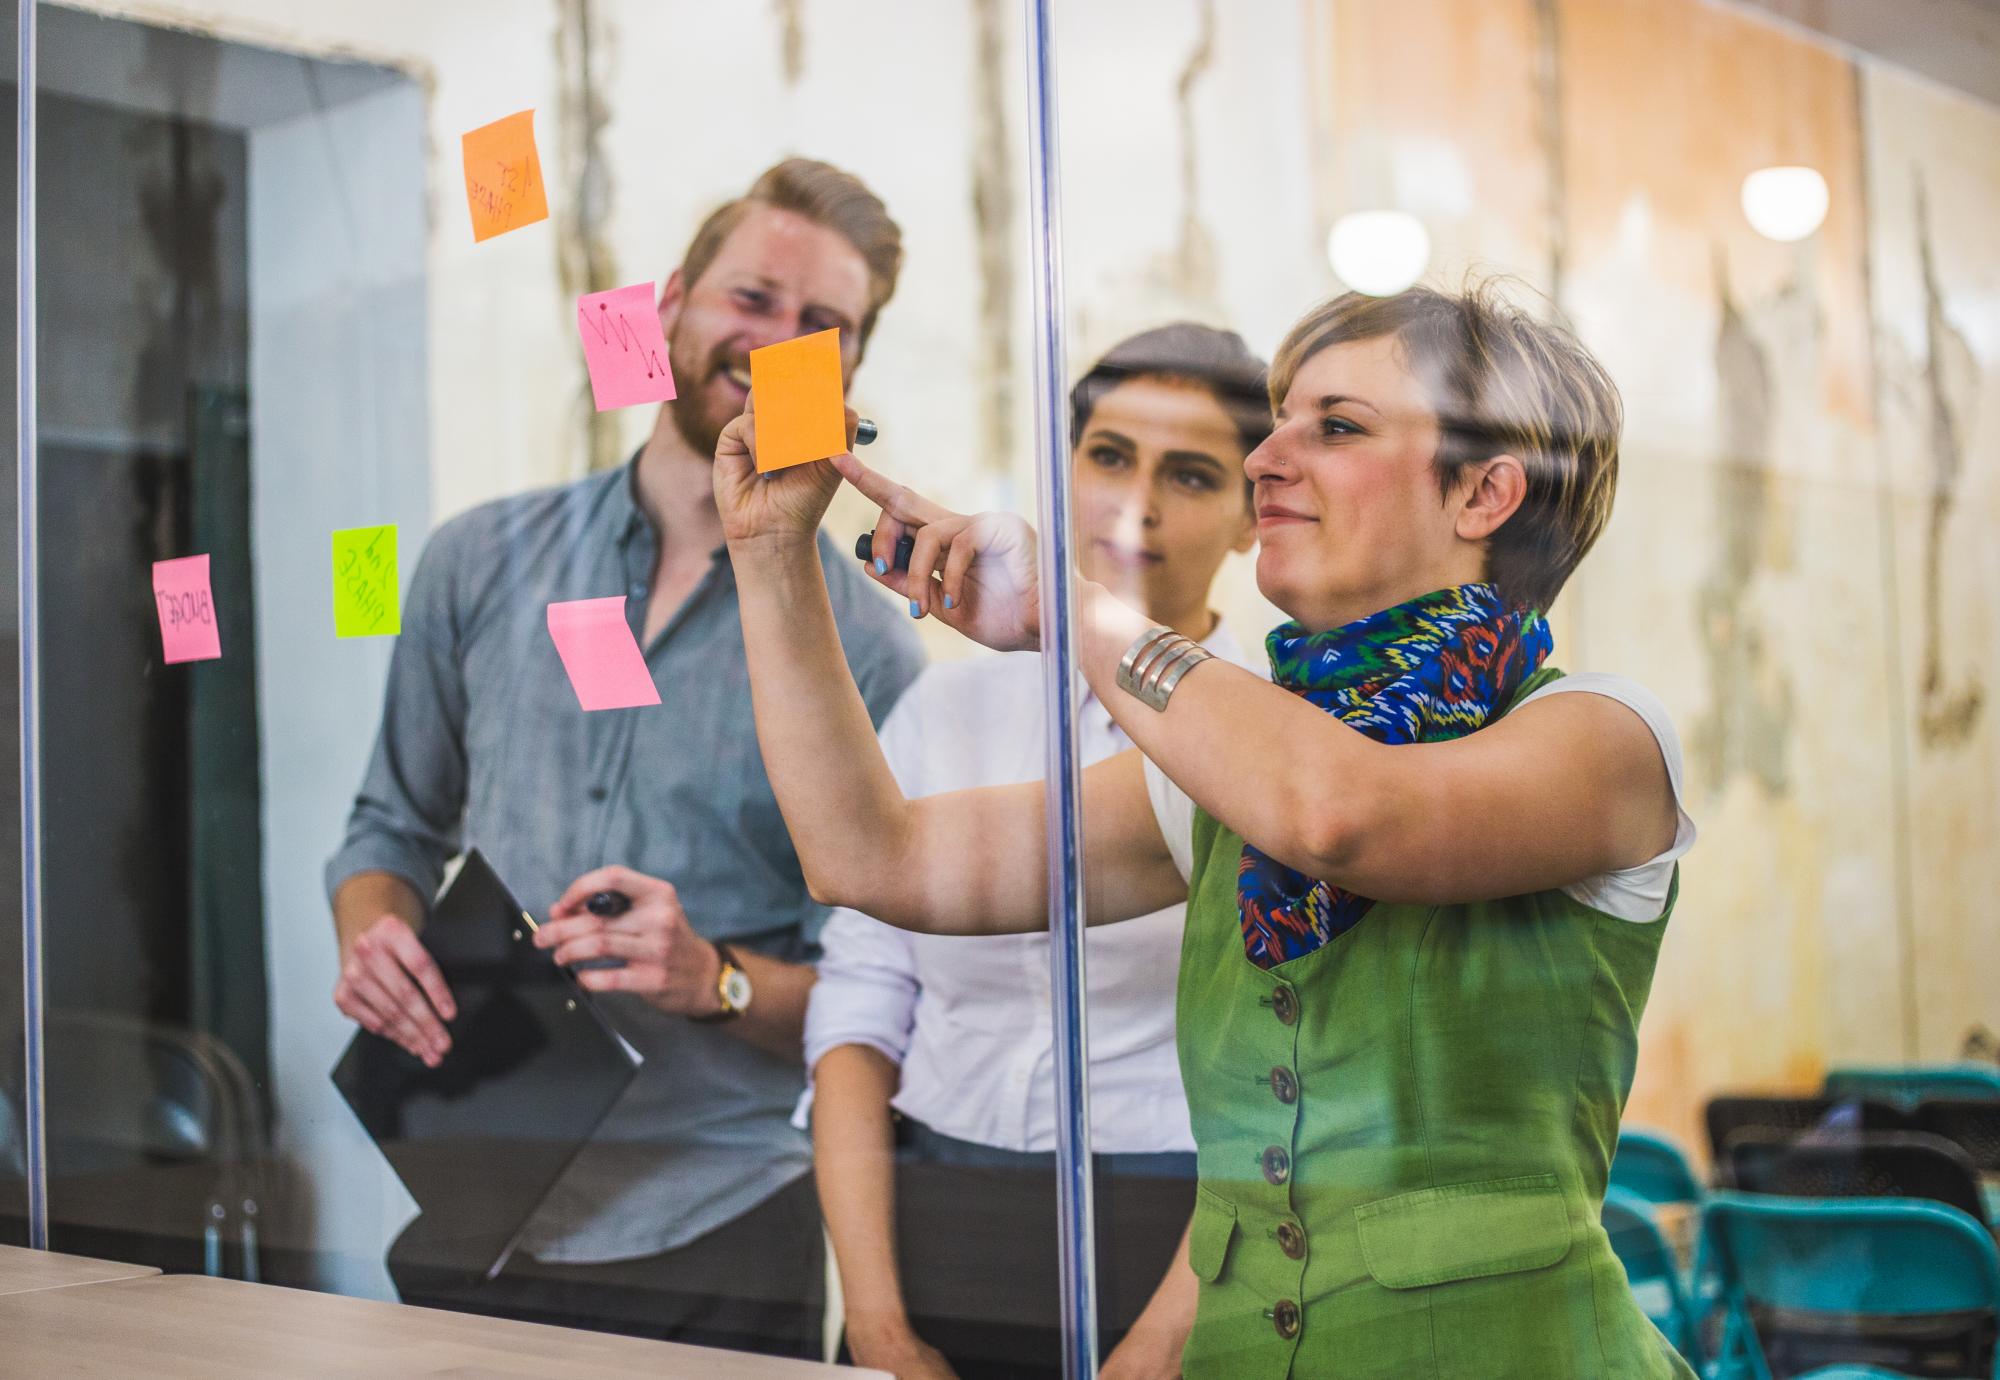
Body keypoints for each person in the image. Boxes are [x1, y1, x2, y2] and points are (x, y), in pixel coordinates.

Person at [712, 281, 1700, 1378]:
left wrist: (1066, 604)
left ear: (1481, 494)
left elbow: (1340, 814)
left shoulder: (1602, 736)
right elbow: (870, 858)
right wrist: (770, 556)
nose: (1264, 460)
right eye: (1274, 422)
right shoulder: (1224, 769)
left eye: (1331, 425)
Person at [325, 158, 924, 1358]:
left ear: (848, 372)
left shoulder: (871, 651)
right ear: (667, 314)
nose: (774, 344)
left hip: (713, 1224)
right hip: (464, 1181)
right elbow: (388, 828)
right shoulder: (474, 560)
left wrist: (716, 978)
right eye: (750, 298)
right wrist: (371, 933)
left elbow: (889, 997)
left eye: (821, 327)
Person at [807, 325, 1269, 1380]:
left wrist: (1155, 1353)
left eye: (1190, 475)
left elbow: (1286, 1083)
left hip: (1180, 1229)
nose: (1133, 503)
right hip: (925, 1207)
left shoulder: (1269, 735)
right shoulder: (948, 702)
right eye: (1109, 455)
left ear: (1252, 516)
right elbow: (859, 1005)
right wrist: (877, 1330)